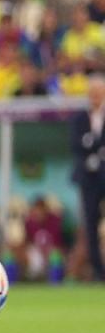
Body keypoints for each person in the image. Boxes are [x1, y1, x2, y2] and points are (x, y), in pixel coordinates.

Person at [70, 76, 105, 280]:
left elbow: (89, 144)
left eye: (98, 92)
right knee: (90, 224)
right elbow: (76, 145)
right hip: (88, 180)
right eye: (92, 92)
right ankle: (98, 273)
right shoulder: (79, 119)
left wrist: (91, 144)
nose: (95, 96)